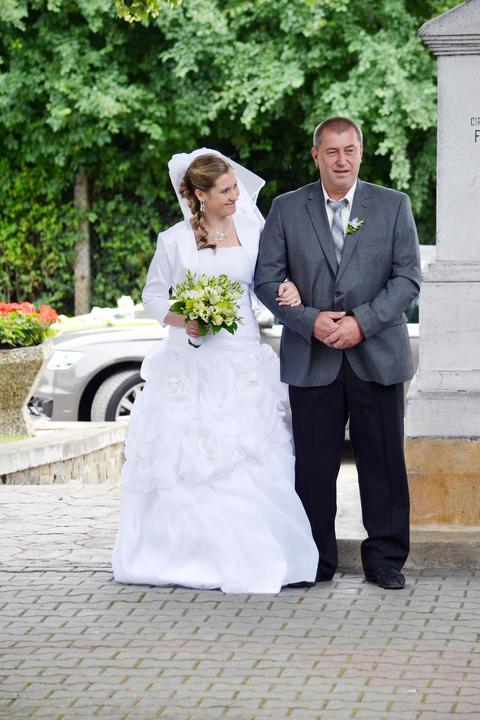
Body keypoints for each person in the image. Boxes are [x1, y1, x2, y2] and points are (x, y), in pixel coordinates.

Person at [112, 149, 319, 594]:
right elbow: (152, 297)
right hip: (191, 364)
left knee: (251, 453)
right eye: (225, 191)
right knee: (188, 457)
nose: (235, 196)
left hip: (243, 359)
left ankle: (263, 554)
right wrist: (184, 318)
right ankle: (190, 556)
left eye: (235, 188)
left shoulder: (254, 229)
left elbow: (265, 283)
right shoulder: (174, 241)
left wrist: (286, 289)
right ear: (200, 195)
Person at [254, 117, 421, 590]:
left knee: (383, 463)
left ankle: (385, 560)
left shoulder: (393, 205)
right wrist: (310, 320)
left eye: (350, 150)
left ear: (361, 153)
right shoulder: (287, 208)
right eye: (332, 151)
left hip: (377, 354)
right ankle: (314, 559)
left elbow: (407, 278)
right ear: (316, 155)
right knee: (313, 467)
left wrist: (360, 323)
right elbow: (266, 279)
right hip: (312, 357)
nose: (342, 160)